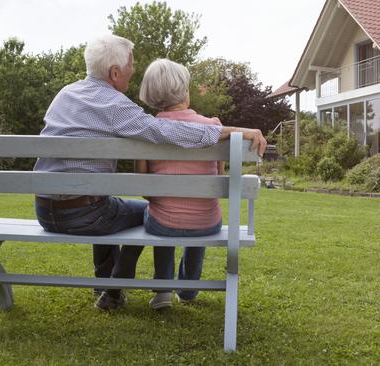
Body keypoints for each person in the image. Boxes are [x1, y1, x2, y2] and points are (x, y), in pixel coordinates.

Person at [33, 34, 266, 311]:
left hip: (45, 211)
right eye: (131, 64)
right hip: (86, 214)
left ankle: (106, 286)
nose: (133, 70)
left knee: (110, 205)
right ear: (115, 72)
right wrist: (237, 131)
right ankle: (112, 290)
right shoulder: (115, 105)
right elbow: (167, 131)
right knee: (138, 213)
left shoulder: (65, 94)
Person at [135, 59, 223, 310]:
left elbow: (144, 188)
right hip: (206, 222)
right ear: (185, 89)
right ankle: (188, 288)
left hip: (163, 223)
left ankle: (163, 291)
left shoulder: (148, 130)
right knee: (199, 218)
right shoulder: (213, 127)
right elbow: (218, 177)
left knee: (159, 217)